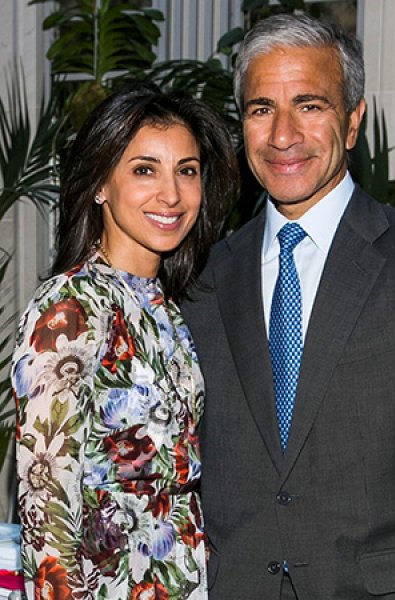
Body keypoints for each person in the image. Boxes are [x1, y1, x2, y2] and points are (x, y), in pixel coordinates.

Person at [181, 14, 395, 599]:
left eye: (310, 105)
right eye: (262, 109)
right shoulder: (204, 277)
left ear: (354, 121)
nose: (283, 135)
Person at [10, 83, 237, 598]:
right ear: (99, 184)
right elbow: (45, 501)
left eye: (187, 170)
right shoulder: (70, 307)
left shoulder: (169, 310)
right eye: (144, 169)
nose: (172, 194)